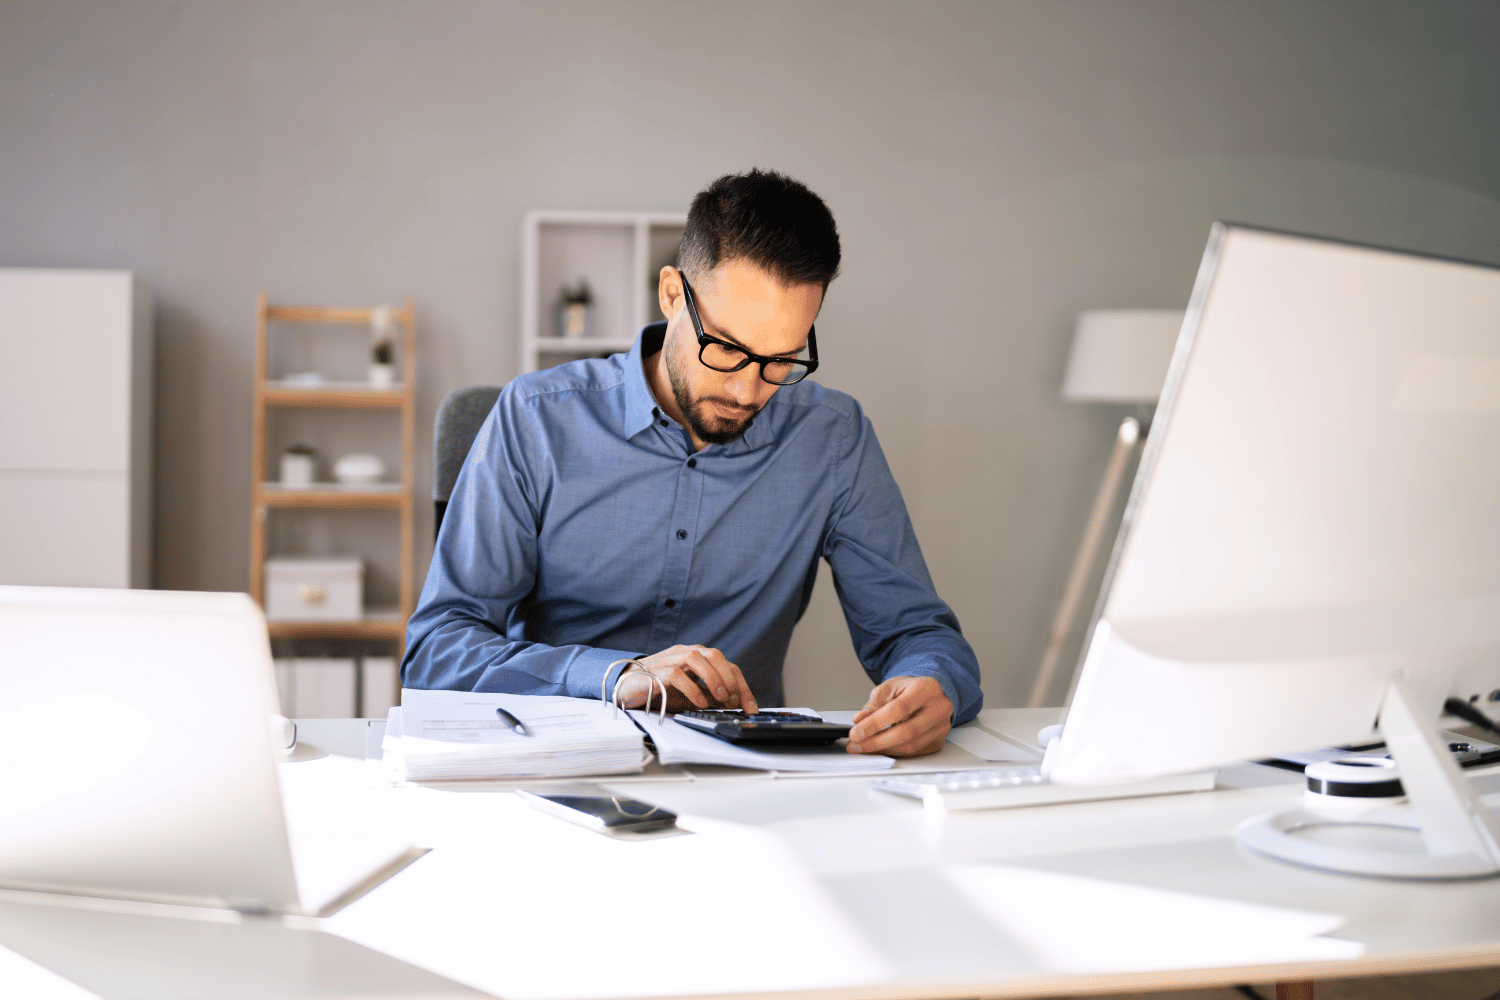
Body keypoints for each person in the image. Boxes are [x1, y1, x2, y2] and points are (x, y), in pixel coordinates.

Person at [402, 169, 981, 756]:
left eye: (781, 360)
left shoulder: (832, 437)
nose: (749, 391)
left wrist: (934, 684)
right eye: (727, 348)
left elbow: (915, 631)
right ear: (673, 295)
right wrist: (615, 676)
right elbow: (437, 652)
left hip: (746, 773)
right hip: (554, 763)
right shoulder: (536, 418)